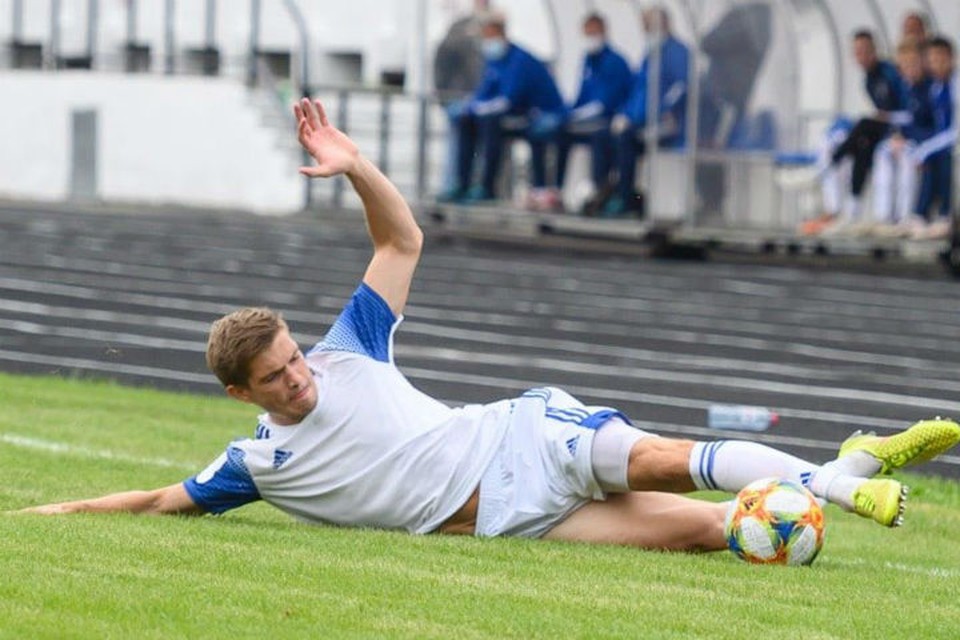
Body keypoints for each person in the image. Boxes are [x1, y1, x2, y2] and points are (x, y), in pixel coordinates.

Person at [18, 98, 960, 555]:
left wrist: (355, 169)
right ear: (240, 394)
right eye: (277, 378)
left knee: (671, 458)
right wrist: (46, 514)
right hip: (509, 523)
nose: (300, 378)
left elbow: (403, 237)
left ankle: (841, 484)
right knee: (717, 535)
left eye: (295, 358)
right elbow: (155, 503)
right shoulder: (255, 468)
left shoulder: (349, 348)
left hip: (524, 440)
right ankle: (852, 464)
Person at [440, 11, 566, 207]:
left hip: (537, 115)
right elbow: (484, 93)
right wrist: (470, 107)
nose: (487, 41)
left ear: (501, 33)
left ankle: (487, 186)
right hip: (513, 114)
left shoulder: (520, 60)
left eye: (490, 35)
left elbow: (510, 99)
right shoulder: (494, 61)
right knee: (465, 119)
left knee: (490, 122)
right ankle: (462, 183)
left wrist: (481, 109)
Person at [803, 30, 910, 236]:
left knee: (863, 126)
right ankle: (852, 211)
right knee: (861, 147)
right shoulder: (868, 80)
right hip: (883, 129)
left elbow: (904, 108)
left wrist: (891, 124)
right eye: (857, 52)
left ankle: (826, 167)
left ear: (874, 51)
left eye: (864, 51)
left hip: (898, 128)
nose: (861, 56)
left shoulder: (889, 73)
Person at [603, 7, 689, 218]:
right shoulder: (650, 54)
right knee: (604, 136)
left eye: (650, 27)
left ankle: (627, 200)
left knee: (626, 139)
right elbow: (638, 91)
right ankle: (605, 192)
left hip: (668, 125)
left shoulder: (678, 53)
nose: (648, 32)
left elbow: (680, 89)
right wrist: (625, 114)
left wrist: (664, 113)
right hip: (641, 121)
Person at [553, 12, 632, 216]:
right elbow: (582, 96)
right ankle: (555, 189)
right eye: (587, 34)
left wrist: (575, 115)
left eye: (593, 33)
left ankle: (602, 193)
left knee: (600, 137)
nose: (590, 38)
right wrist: (568, 113)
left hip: (610, 120)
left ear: (603, 32)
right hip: (586, 120)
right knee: (559, 131)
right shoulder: (588, 60)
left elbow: (603, 104)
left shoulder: (615, 62)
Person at [870, 39, 934, 236]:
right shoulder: (907, 87)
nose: (910, 69)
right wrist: (898, 134)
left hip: (924, 141)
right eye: (905, 65)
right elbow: (905, 119)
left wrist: (906, 136)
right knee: (883, 152)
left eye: (913, 64)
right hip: (909, 139)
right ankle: (884, 214)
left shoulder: (930, 87)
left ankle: (906, 214)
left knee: (908, 157)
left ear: (923, 63)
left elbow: (928, 124)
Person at [433, 0, 488, 196]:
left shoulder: (486, 29)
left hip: (479, 103)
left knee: (477, 147)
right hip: (459, 99)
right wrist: (445, 98)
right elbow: (443, 65)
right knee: (457, 146)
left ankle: (470, 188)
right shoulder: (462, 30)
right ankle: (454, 187)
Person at [909, 35, 956, 240]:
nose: (937, 65)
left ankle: (945, 213)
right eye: (933, 60)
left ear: (952, 58)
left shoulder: (956, 85)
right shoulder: (936, 88)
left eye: (941, 59)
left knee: (940, 154)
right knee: (926, 154)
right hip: (945, 139)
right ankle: (922, 214)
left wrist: (927, 148)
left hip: (953, 141)